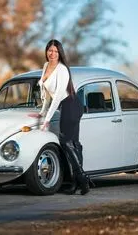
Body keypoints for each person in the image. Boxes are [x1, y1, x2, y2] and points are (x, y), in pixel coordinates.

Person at [28, 39, 90, 195]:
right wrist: (42, 113)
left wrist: (47, 120)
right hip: (66, 106)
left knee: (65, 142)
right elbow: (48, 96)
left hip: (71, 104)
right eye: (50, 50)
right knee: (74, 144)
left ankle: (82, 178)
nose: (53, 54)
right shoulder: (45, 67)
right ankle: (77, 183)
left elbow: (57, 97)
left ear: (60, 53)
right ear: (46, 51)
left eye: (56, 51)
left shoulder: (62, 70)